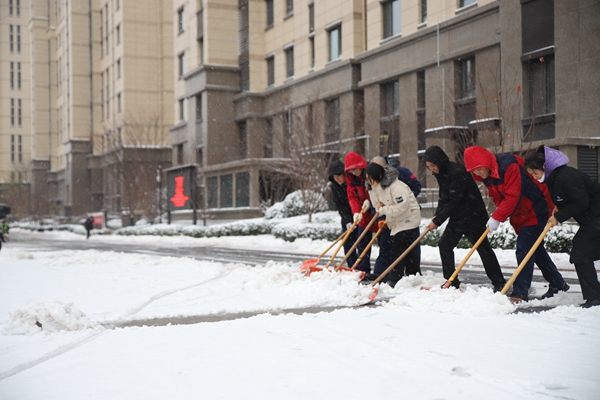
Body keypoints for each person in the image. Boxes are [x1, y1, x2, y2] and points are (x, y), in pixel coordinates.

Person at [464, 146, 569, 302]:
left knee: (524, 248)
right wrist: (499, 214)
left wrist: (498, 217)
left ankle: (520, 292)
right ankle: (558, 283)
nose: (478, 173)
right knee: (536, 250)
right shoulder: (489, 175)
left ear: (486, 162)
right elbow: (499, 197)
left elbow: (513, 196)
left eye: (479, 169)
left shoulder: (510, 166)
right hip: (520, 214)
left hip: (536, 208)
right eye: (474, 171)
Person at [525, 146, 600, 308]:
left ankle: (594, 297)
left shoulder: (565, 176)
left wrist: (558, 217)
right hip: (593, 219)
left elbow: (582, 201)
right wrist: (559, 207)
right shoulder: (554, 178)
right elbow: (569, 198)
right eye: (531, 174)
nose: (534, 177)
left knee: (581, 252)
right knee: (582, 251)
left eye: (535, 173)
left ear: (544, 166)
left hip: (596, 217)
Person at [422, 146, 506, 291]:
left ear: (439, 161)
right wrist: (437, 215)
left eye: (433, 165)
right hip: (458, 217)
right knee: (445, 245)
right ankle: (450, 281)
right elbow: (444, 197)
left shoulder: (457, 172)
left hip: (473, 215)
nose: (432, 169)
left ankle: (498, 281)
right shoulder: (441, 173)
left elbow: (455, 199)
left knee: (483, 248)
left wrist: (438, 220)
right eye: (429, 167)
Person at [364, 162, 421, 285]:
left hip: (409, 218)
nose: (370, 183)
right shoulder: (372, 188)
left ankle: (395, 279)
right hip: (395, 220)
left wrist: (383, 209)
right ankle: (413, 276)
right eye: (368, 180)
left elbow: (402, 206)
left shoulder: (397, 186)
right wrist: (379, 207)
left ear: (379, 175)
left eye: (372, 179)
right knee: (406, 250)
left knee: (398, 249)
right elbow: (376, 205)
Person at [344, 152, 383, 276]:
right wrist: (356, 212)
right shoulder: (351, 179)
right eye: (351, 171)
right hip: (363, 215)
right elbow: (351, 196)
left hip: (376, 213)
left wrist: (370, 202)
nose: (354, 172)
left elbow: (376, 190)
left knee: (383, 243)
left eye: (355, 169)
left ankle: (382, 270)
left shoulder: (370, 173)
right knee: (362, 244)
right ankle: (362, 271)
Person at [328, 160, 359, 268]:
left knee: (361, 243)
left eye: (339, 176)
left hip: (359, 217)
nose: (337, 179)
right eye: (334, 178)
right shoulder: (335, 187)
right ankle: (352, 266)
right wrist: (347, 220)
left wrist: (357, 216)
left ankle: (362, 266)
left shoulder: (353, 183)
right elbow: (340, 206)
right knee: (348, 244)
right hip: (347, 220)